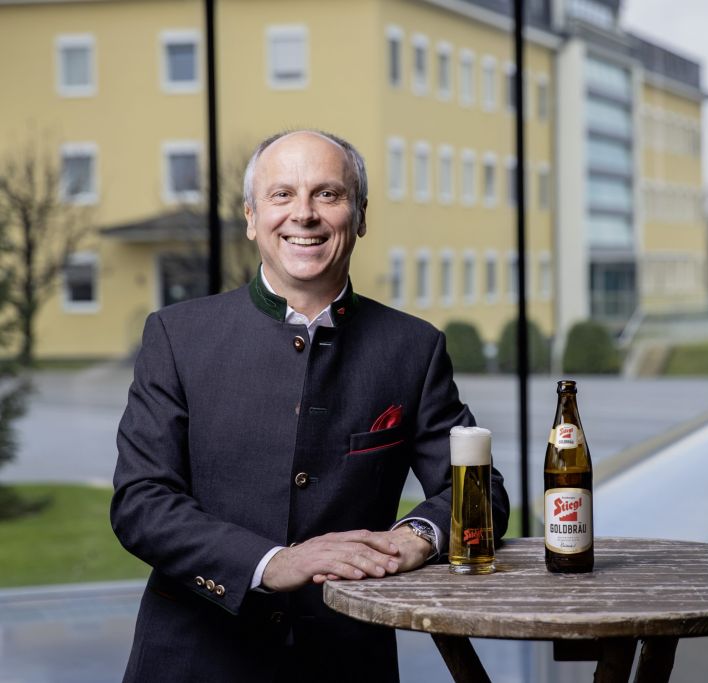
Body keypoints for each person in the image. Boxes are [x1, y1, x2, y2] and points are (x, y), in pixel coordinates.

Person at [111, 129, 510, 682]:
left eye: (328, 194)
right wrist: (274, 562)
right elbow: (142, 503)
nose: (304, 214)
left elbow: (481, 492)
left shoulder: (413, 348)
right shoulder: (177, 336)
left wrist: (415, 537)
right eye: (282, 195)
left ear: (360, 215)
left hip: (346, 661)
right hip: (193, 659)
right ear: (251, 217)